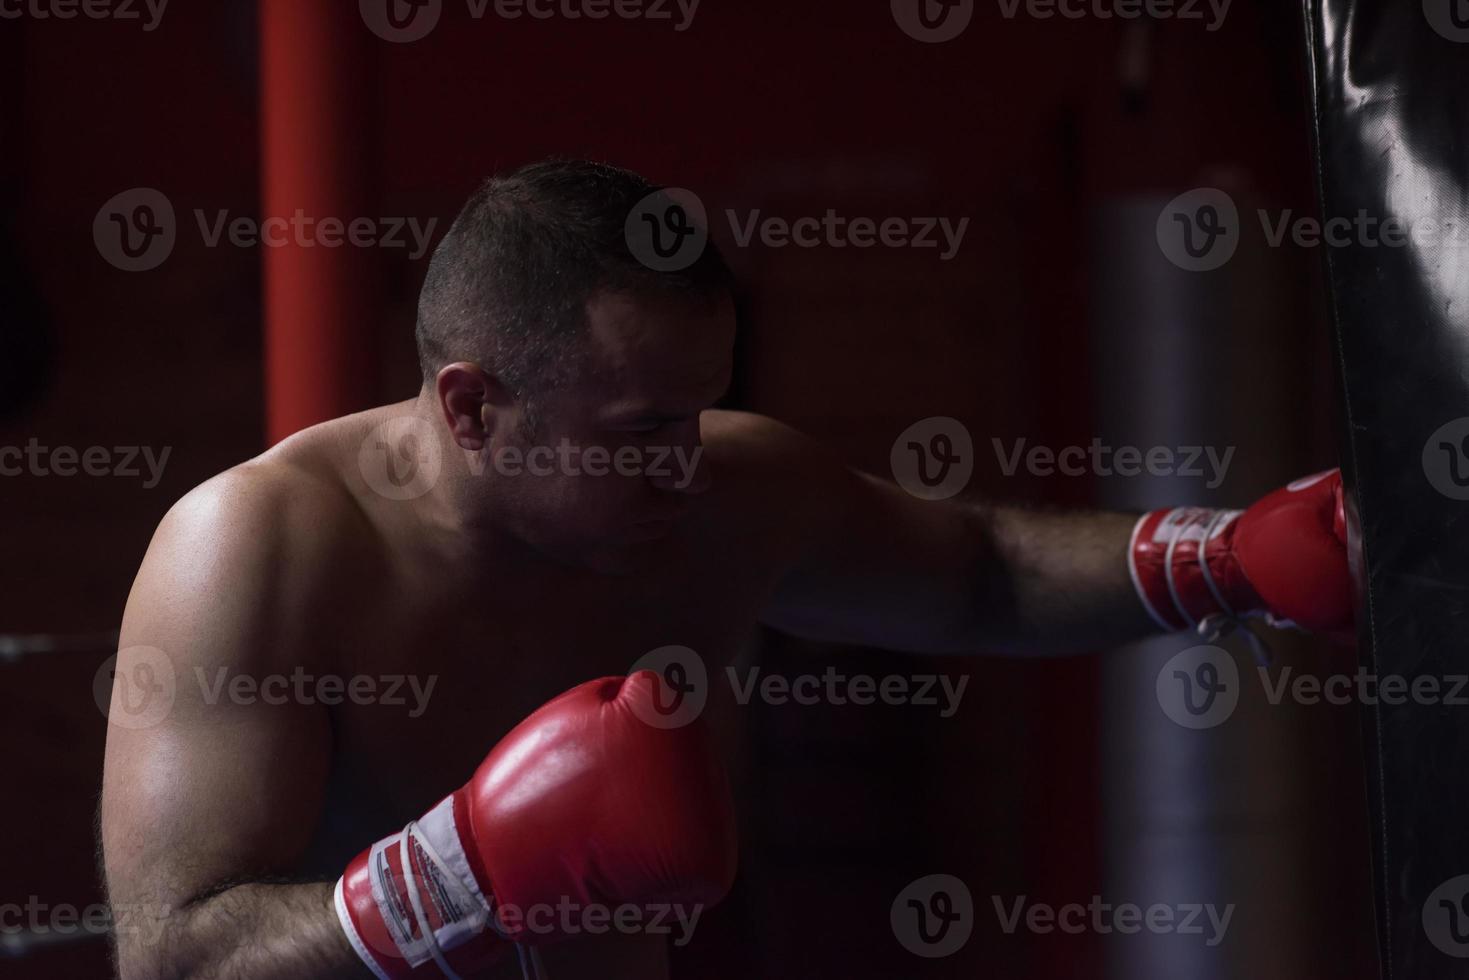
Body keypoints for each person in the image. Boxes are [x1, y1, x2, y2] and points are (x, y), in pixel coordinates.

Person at [99, 159, 1353, 979]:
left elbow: (979, 570)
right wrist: (461, 864)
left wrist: (1214, 556)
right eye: (639, 428)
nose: (686, 462)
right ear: (471, 407)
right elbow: (176, 957)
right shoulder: (260, 551)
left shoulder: (719, 497)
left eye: (698, 413)